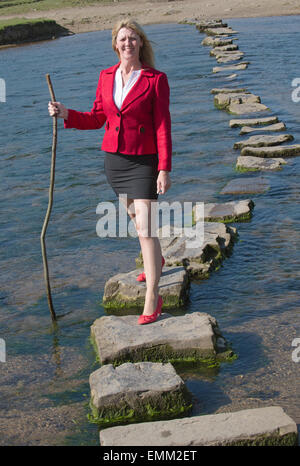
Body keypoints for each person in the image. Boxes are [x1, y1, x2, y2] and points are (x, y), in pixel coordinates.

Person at [48, 19, 172, 325]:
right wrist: (66, 113)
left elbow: (162, 126)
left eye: (133, 38)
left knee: (145, 229)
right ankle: (156, 259)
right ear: (115, 44)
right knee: (134, 220)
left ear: (141, 43)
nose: (127, 43)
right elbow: (96, 117)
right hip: (115, 162)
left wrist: (164, 168)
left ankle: (153, 297)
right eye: (122, 39)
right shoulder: (106, 77)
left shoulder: (156, 79)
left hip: (145, 162)